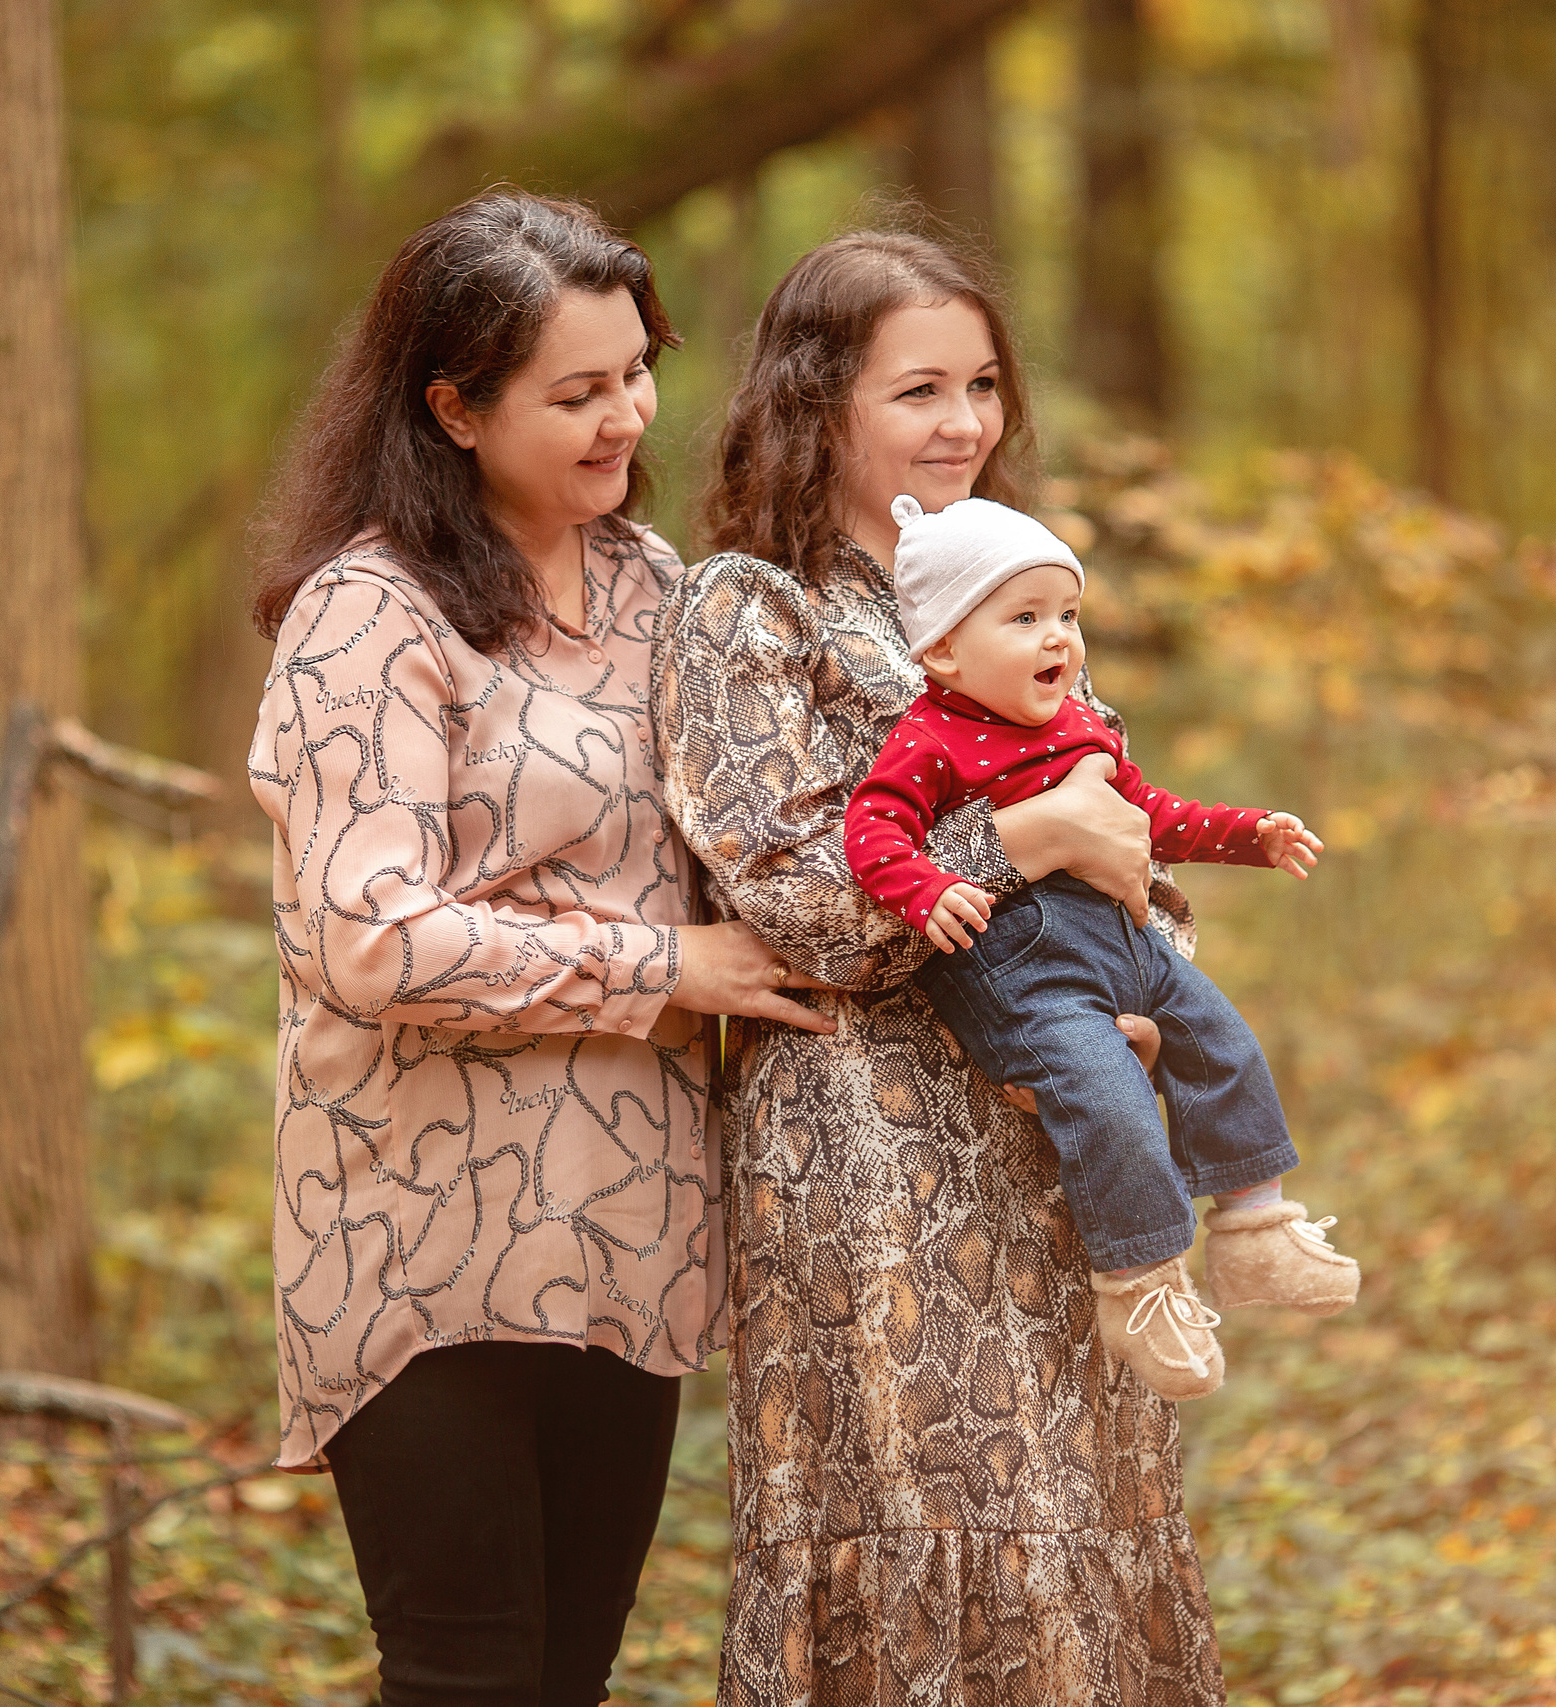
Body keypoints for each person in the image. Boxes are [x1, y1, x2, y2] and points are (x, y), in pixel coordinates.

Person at [246, 189, 829, 1707]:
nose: (625, 415)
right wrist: (661, 968)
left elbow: (785, 851)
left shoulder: (658, 591)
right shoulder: (367, 616)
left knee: (570, 1675)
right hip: (420, 1235)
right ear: (451, 405)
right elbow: (370, 937)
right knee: (464, 1676)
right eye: (574, 391)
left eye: (636, 370)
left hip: (631, 1225)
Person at [653, 228, 1227, 1702]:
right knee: (926, 1517)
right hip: (869, 1162)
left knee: (1085, 1512)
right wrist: (1019, 837)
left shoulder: (1014, 595)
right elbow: (803, 906)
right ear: (815, 400)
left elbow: (1129, 846)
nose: (964, 421)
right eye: (920, 389)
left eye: (981, 383)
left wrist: (1144, 997)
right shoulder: (748, 607)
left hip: (1062, 1132)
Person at [844, 493, 1360, 1402]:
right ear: (943, 650)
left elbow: (1151, 816)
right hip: (1028, 969)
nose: (1059, 640)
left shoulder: (1079, 723)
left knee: (1221, 1040)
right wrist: (927, 889)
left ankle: (1255, 1229)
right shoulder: (931, 739)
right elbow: (874, 831)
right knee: (1111, 1101)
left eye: (1068, 615)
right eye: (1026, 617)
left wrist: (1250, 834)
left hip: (1123, 939)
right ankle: (1146, 1284)